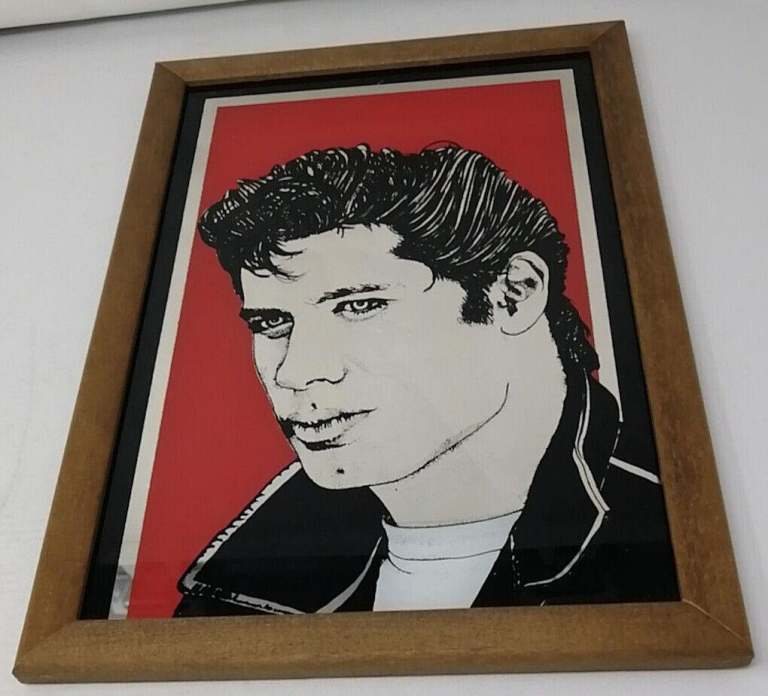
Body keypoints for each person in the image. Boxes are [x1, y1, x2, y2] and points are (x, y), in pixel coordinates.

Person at [174, 144, 677, 617]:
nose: (296, 372)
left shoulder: (671, 536)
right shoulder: (235, 588)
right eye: (271, 323)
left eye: (359, 306)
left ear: (514, 295)